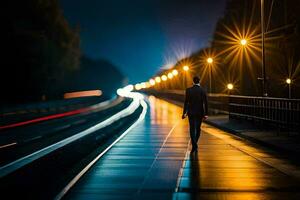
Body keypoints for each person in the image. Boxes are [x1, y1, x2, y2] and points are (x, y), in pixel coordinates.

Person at [182, 76, 208, 153]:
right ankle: (195, 143)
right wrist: (206, 113)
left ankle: (194, 145)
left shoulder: (188, 90)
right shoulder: (202, 90)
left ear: (193, 81)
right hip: (200, 112)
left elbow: (186, 102)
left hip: (191, 112)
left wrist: (184, 113)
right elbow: (205, 103)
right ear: (199, 81)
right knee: (198, 128)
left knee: (192, 128)